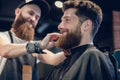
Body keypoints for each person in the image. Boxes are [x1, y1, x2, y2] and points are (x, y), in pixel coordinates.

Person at [43, 0, 119, 80]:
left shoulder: (93, 56)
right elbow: (47, 57)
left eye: (67, 20)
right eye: (61, 21)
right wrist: (40, 46)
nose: (59, 26)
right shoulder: (66, 59)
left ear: (86, 25)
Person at [0, 0, 66, 80]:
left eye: (37, 17)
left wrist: (70, 50)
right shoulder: (2, 36)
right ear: (17, 12)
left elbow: (53, 59)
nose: (33, 19)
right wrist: (39, 45)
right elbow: (4, 50)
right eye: (30, 13)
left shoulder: (34, 47)